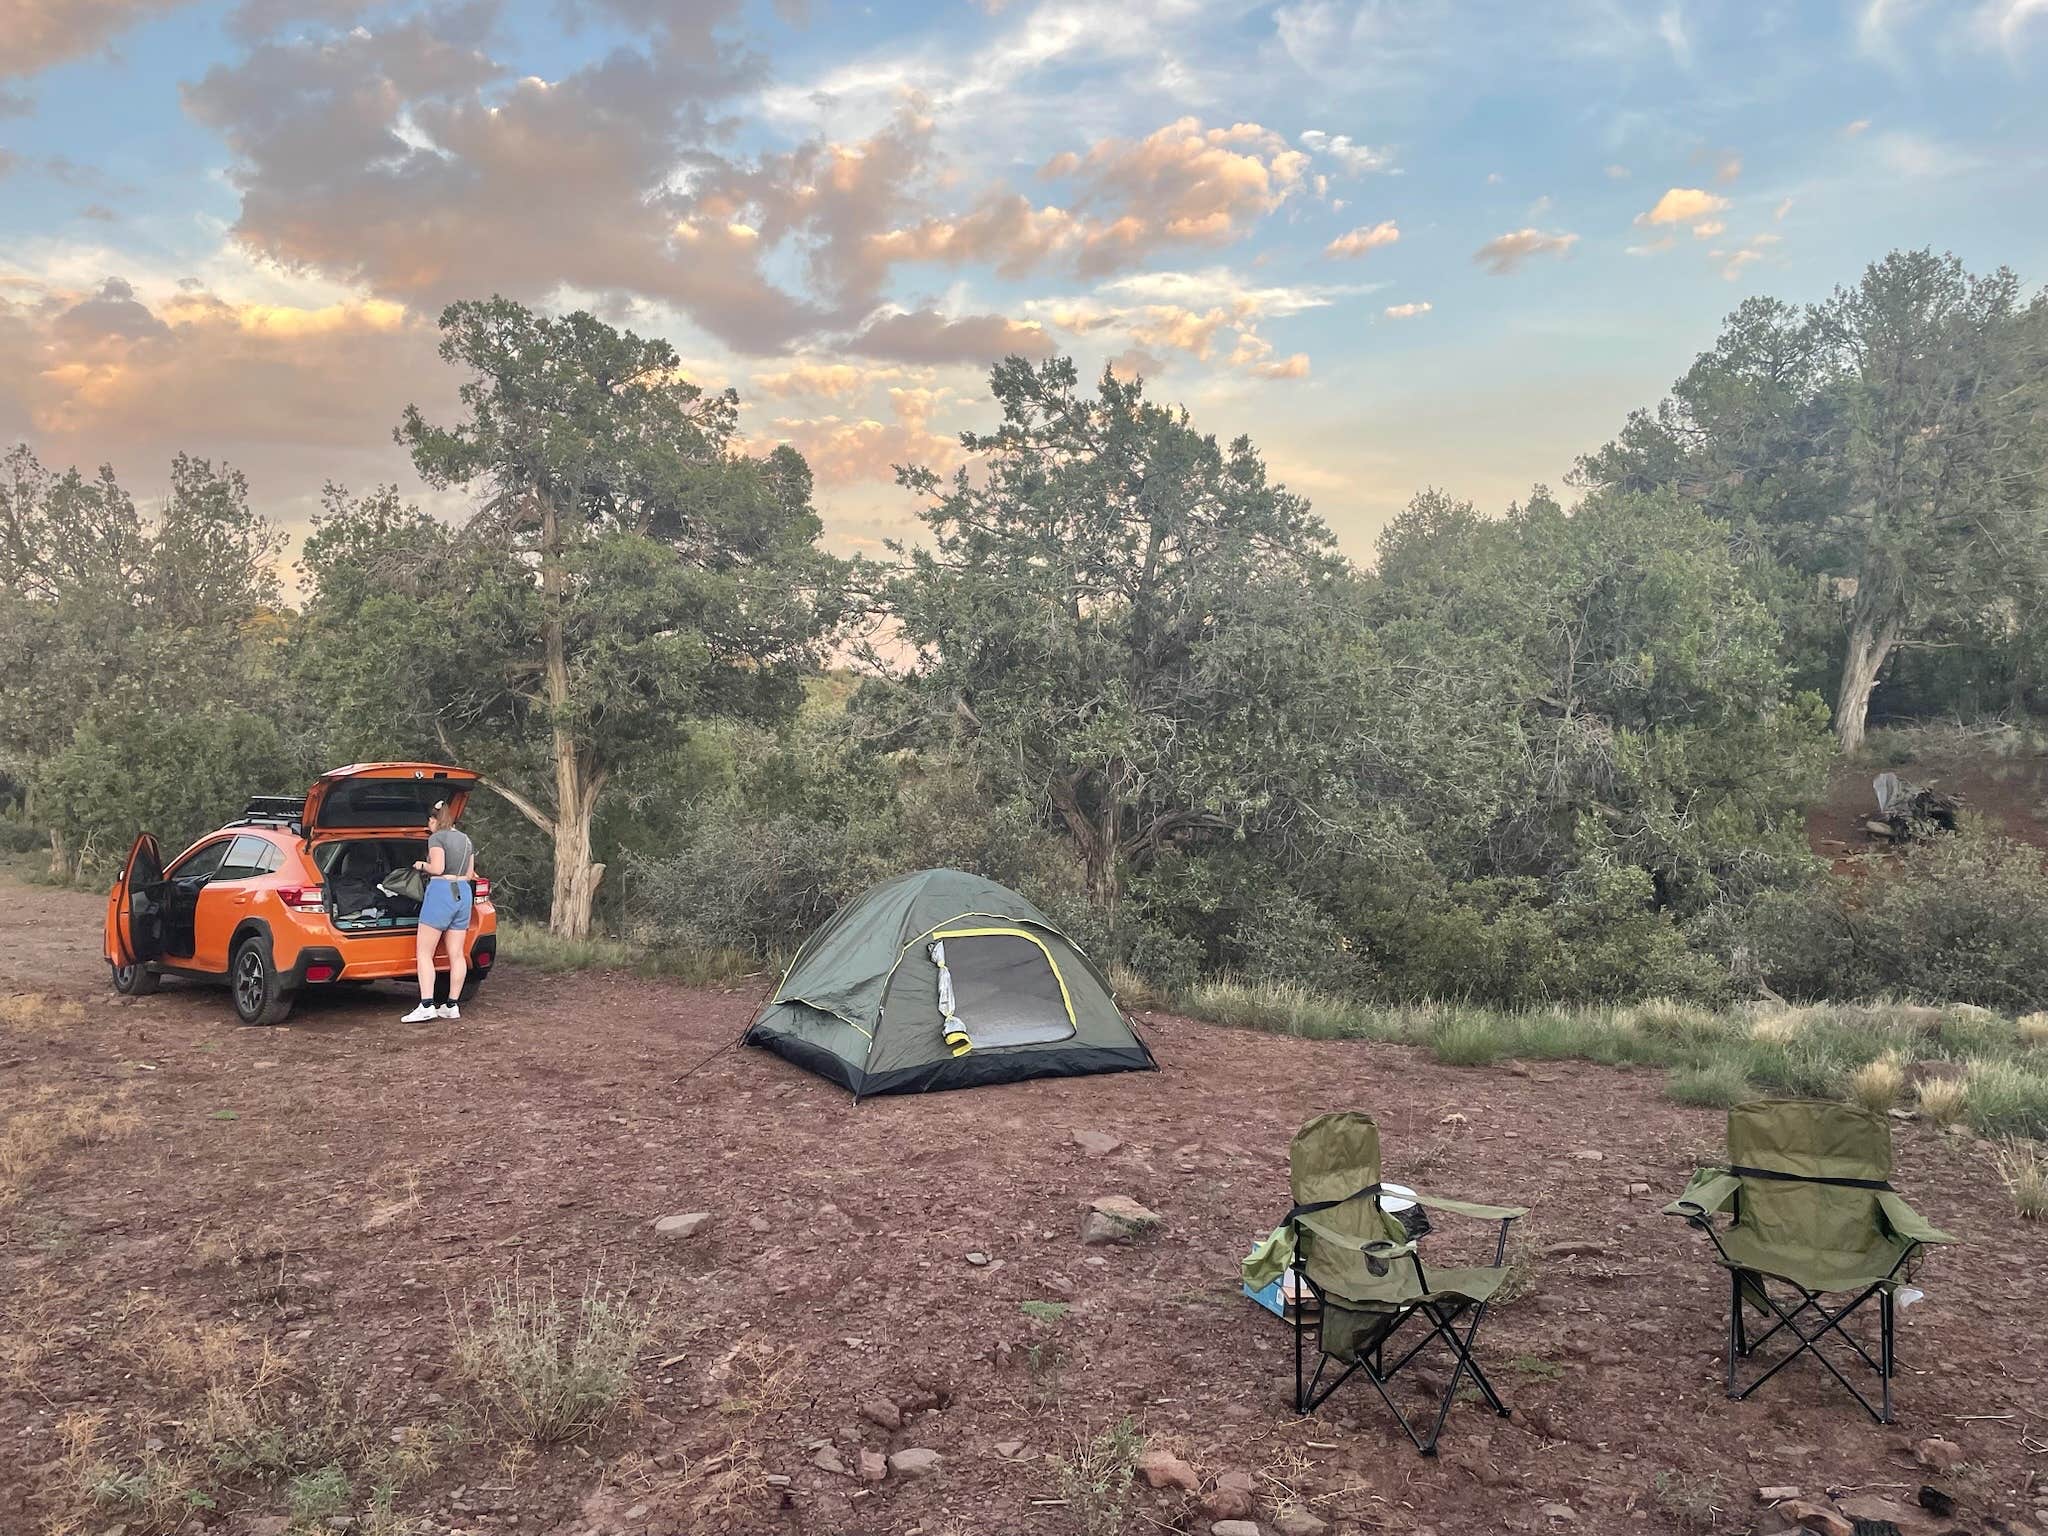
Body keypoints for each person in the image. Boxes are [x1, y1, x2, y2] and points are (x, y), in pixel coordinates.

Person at [400, 800, 476, 1024]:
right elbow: (470, 874)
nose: (428, 827)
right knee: (457, 953)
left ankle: (426, 1005)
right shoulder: (466, 839)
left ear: (434, 820)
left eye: (429, 822)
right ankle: (452, 1005)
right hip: (463, 893)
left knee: (424, 952)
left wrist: (421, 865)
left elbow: (438, 868)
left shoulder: (437, 838)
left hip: (442, 891)